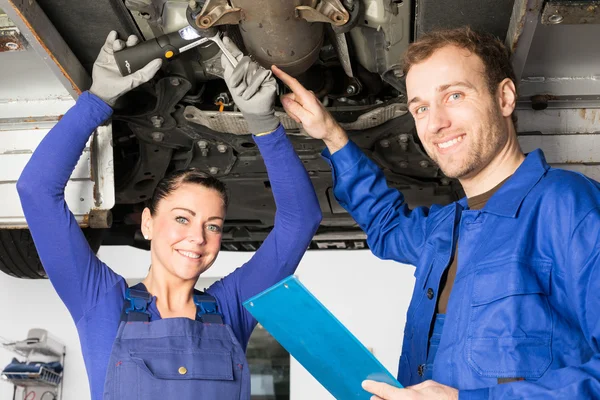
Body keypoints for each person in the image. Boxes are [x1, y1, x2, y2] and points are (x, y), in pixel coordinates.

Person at [271, 26, 600, 399]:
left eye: (454, 95)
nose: (435, 123)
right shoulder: (447, 226)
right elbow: (386, 224)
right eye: (421, 108)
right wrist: (331, 134)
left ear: (505, 97)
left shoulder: (569, 206)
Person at [17, 31, 321, 400]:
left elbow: (300, 220)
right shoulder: (99, 301)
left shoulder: (231, 309)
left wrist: (262, 122)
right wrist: (96, 101)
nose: (198, 237)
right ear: (147, 223)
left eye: (213, 226)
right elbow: (36, 191)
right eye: (182, 218)